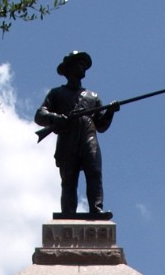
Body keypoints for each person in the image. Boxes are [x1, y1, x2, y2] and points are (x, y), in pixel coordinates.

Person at [35, 51, 119, 217]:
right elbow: (39, 115)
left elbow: (101, 126)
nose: (83, 68)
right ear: (69, 68)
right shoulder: (56, 93)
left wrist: (110, 112)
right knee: (69, 179)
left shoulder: (93, 96)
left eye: (84, 65)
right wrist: (56, 117)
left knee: (94, 172)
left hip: (89, 135)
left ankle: (96, 209)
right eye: (79, 64)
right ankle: (68, 213)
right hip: (68, 137)